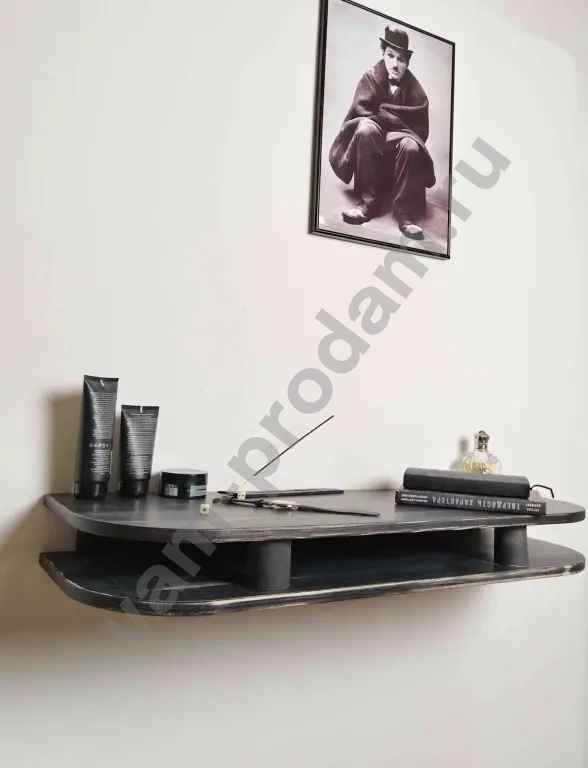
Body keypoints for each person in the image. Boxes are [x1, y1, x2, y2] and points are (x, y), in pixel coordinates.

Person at [329, 26, 436, 240]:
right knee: (365, 130)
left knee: (411, 145)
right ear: (383, 54)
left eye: (401, 59)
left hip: (401, 140)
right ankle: (367, 204)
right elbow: (360, 112)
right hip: (374, 138)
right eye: (390, 55)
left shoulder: (415, 89)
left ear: (407, 62)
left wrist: (390, 120)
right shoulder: (370, 77)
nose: (395, 64)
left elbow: (418, 129)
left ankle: (405, 215)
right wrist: (386, 119)